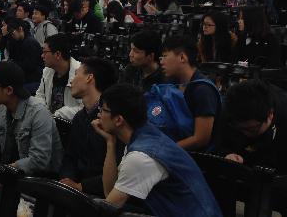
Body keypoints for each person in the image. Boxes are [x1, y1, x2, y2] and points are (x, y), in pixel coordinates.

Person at [91, 83, 222, 216]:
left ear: (119, 120)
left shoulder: (141, 156)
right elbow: (109, 193)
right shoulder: (143, 135)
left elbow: (108, 207)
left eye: (103, 110)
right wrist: (110, 143)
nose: (99, 114)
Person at [0, 61, 63, 175]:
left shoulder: (39, 113)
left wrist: (5, 171)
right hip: (11, 173)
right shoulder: (3, 108)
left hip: (38, 179)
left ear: (9, 90)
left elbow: (39, 160)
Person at [59, 57, 121, 195]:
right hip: (75, 191)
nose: (71, 81)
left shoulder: (113, 120)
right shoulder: (80, 117)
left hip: (103, 195)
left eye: (76, 74)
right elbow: (70, 157)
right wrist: (67, 180)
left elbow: (119, 170)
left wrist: (82, 186)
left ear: (89, 78)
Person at [160, 35, 221, 151]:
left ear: (182, 57)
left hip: (196, 157)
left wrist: (164, 149)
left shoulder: (203, 90)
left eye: (165, 56)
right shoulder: (174, 83)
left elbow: (201, 139)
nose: (161, 62)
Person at [221, 79, 287, 173]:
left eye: (251, 129)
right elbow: (221, 144)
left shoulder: (283, 114)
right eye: (241, 129)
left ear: (270, 114)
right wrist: (228, 155)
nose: (246, 133)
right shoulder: (229, 111)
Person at [36, 34, 83, 119]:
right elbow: (40, 95)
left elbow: (85, 108)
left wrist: (59, 114)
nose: (42, 56)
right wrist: (43, 113)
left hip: (68, 123)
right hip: (48, 119)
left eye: (45, 52)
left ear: (57, 54)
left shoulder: (81, 74)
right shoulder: (47, 70)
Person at [6, 18, 44, 95]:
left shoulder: (30, 42)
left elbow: (30, 65)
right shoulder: (19, 41)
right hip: (26, 78)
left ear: (20, 29)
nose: (12, 36)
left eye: (12, 33)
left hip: (33, 80)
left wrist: (12, 63)